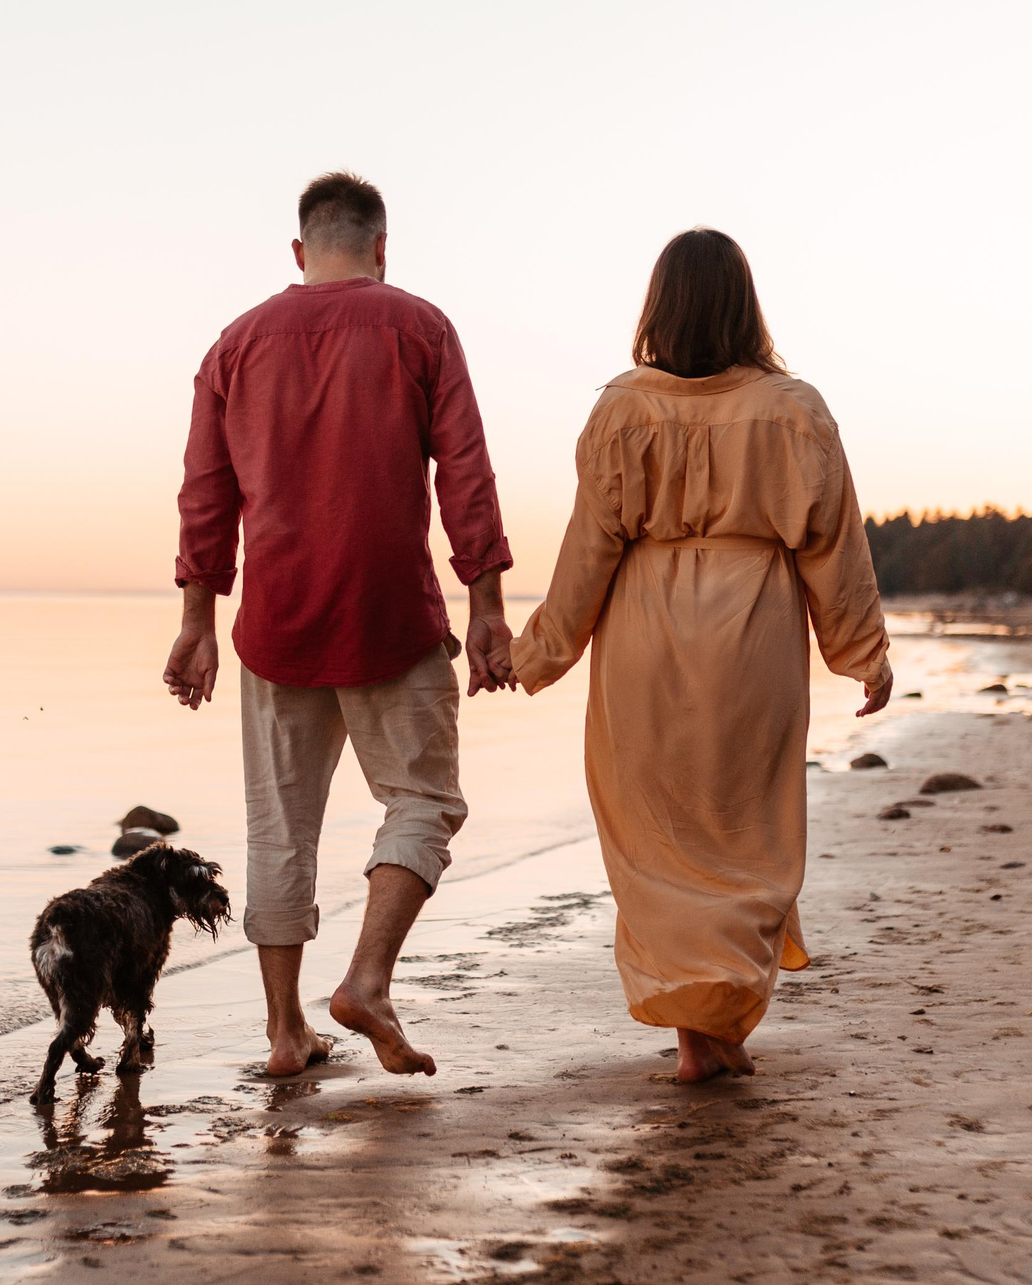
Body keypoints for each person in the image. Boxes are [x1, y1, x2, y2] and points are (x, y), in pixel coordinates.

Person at [512, 228, 891, 1082]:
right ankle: (717, 1033)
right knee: (745, 834)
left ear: (659, 308)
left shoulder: (620, 410)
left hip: (645, 634)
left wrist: (536, 654)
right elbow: (835, 544)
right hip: (753, 628)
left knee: (659, 840)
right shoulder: (794, 409)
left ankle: (699, 1039)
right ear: (744, 306)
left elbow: (586, 556)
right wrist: (862, 651)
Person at [165, 172, 515, 1080]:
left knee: (279, 829)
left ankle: (285, 1034)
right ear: (381, 248)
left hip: (275, 623)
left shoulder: (234, 346)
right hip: (391, 614)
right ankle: (365, 977)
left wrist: (199, 618)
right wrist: (486, 602)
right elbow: (465, 472)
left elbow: (207, 495)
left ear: (298, 251)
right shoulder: (421, 326)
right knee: (425, 799)